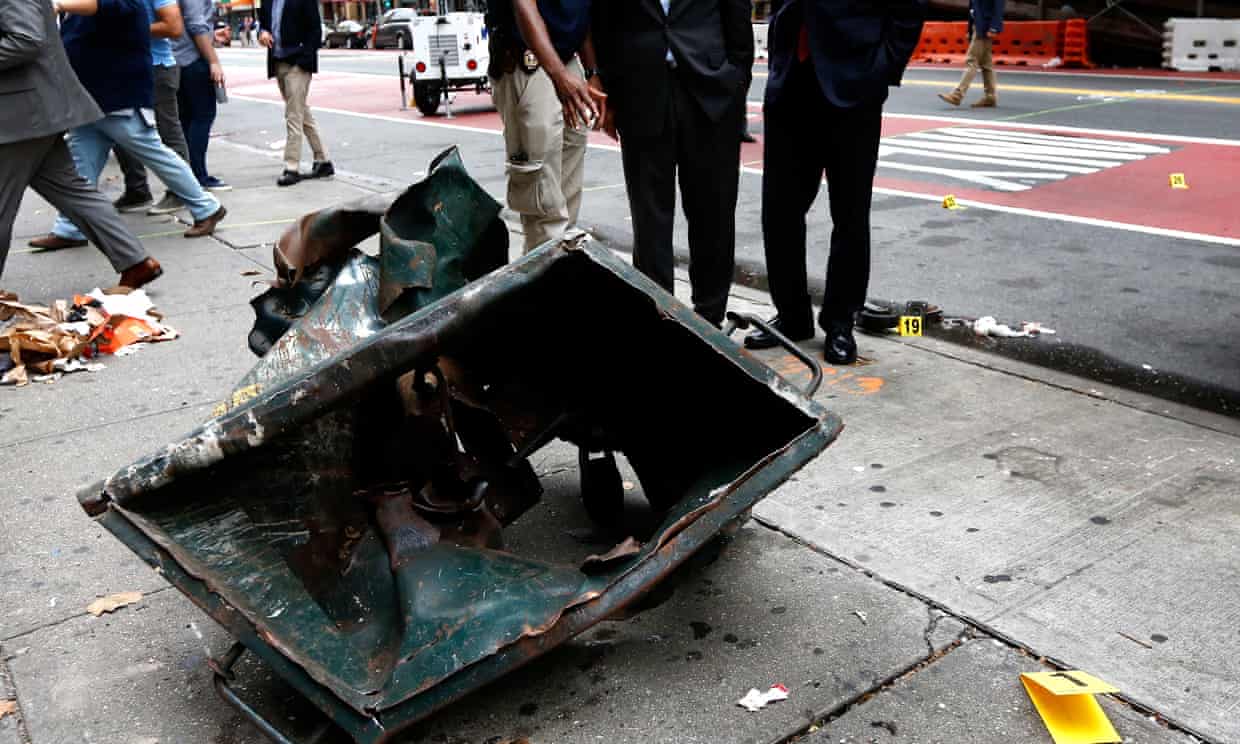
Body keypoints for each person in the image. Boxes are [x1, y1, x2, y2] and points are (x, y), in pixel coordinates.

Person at [744, 0, 925, 364]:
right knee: (779, 212)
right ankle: (793, 317)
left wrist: (883, 68)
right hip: (791, 85)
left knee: (850, 214)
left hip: (855, 87)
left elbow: (908, 9)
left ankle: (840, 321)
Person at [592, 0, 753, 327]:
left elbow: (738, 22)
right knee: (649, 218)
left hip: (711, 93)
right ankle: (657, 319)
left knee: (714, 213)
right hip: (641, 93)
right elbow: (606, 23)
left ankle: (710, 320)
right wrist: (612, 92)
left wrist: (735, 83)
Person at [28, 0, 226, 251]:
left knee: (152, 151)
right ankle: (70, 228)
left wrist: (57, 5)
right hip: (94, 95)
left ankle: (206, 207)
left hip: (117, 93)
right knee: (81, 164)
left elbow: (106, 8)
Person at [0, 0, 161, 288]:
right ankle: (136, 262)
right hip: (31, 112)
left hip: (22, 116)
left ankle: (137, 261)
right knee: (73, 190)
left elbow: (26, 39)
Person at [487, 0, 605, 252]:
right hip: (527, 59)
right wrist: (559, 75)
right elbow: (524, 6)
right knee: (542, 201)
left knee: (567, 190)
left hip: (567, 59)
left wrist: (592, 70)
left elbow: (580, 12)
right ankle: (544, 282)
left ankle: (556, 273)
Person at [107, 0, 190, 215]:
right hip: (123, 68)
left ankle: (181, 193)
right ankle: (137, 190)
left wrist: (124, 29)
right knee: (118, 130)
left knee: (167, 131)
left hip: (156, 68)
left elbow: (174, 27)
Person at [258, 0, 335, 187]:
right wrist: (262, 32)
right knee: (301, 113)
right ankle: (323, 161)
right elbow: (264, 23)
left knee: (293, 114)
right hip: (278, 62)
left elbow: (315, 31)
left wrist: (303, 59)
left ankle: (291, 166)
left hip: (297, 63)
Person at [174, 0, 230, 191]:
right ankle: (198, 174)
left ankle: (189, 174)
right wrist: (213, 60)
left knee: (185, 119)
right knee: (202, 117)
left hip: (176, 59)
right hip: (193, 57)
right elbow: (196, 24)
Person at [939, 0, 1004, 108]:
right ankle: (990, 96)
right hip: (978, 25)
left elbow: (998, 5)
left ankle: (957, 95)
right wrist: (969, 29)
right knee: (986, 64)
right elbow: (973, 6)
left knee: (972, 60)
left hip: (984, 27)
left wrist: (994, 27)